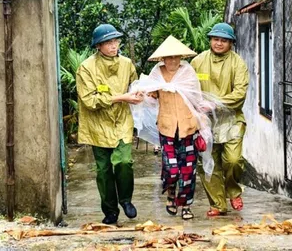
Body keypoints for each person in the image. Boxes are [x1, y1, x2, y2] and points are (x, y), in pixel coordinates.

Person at [130, 35, 217, 220]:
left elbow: (196, 97)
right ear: (162, 59)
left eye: (176, 57)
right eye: (169, 57)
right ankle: (170, 192)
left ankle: (185, 205)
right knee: (171, 168)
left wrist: (206, 110)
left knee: (188, 170)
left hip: (188, 128)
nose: (173, 61)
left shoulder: (188, 73)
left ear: (181, 58)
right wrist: (145, 93)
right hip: (167, 127)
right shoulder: (157, 73)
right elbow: (150, 93)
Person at [76, 23, 143, 225]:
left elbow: (135, 86)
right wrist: (121, 97)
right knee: (104, 170)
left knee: (123, 162)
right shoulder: (86, 68)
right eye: (108, 42)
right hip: (97, 125)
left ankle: (126, 200)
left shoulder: (127, 64)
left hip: (121, 120)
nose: (113, 46)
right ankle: (110, 210)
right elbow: (89, 100)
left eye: (115, 41)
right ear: (98, 46)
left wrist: (139, 94)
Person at [190, 23, 249, 216]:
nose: (219, 43)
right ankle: (217, 204)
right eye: (216, 39)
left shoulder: (238, 63)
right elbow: (188, 86)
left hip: (231, 119)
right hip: (204, 121)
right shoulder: (198, 61)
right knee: (208, 162)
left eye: (224, 40)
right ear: (210, 40)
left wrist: (216, 104)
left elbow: (240, 93)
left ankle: (233, 190)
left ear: (231, 43)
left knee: (233, 159)